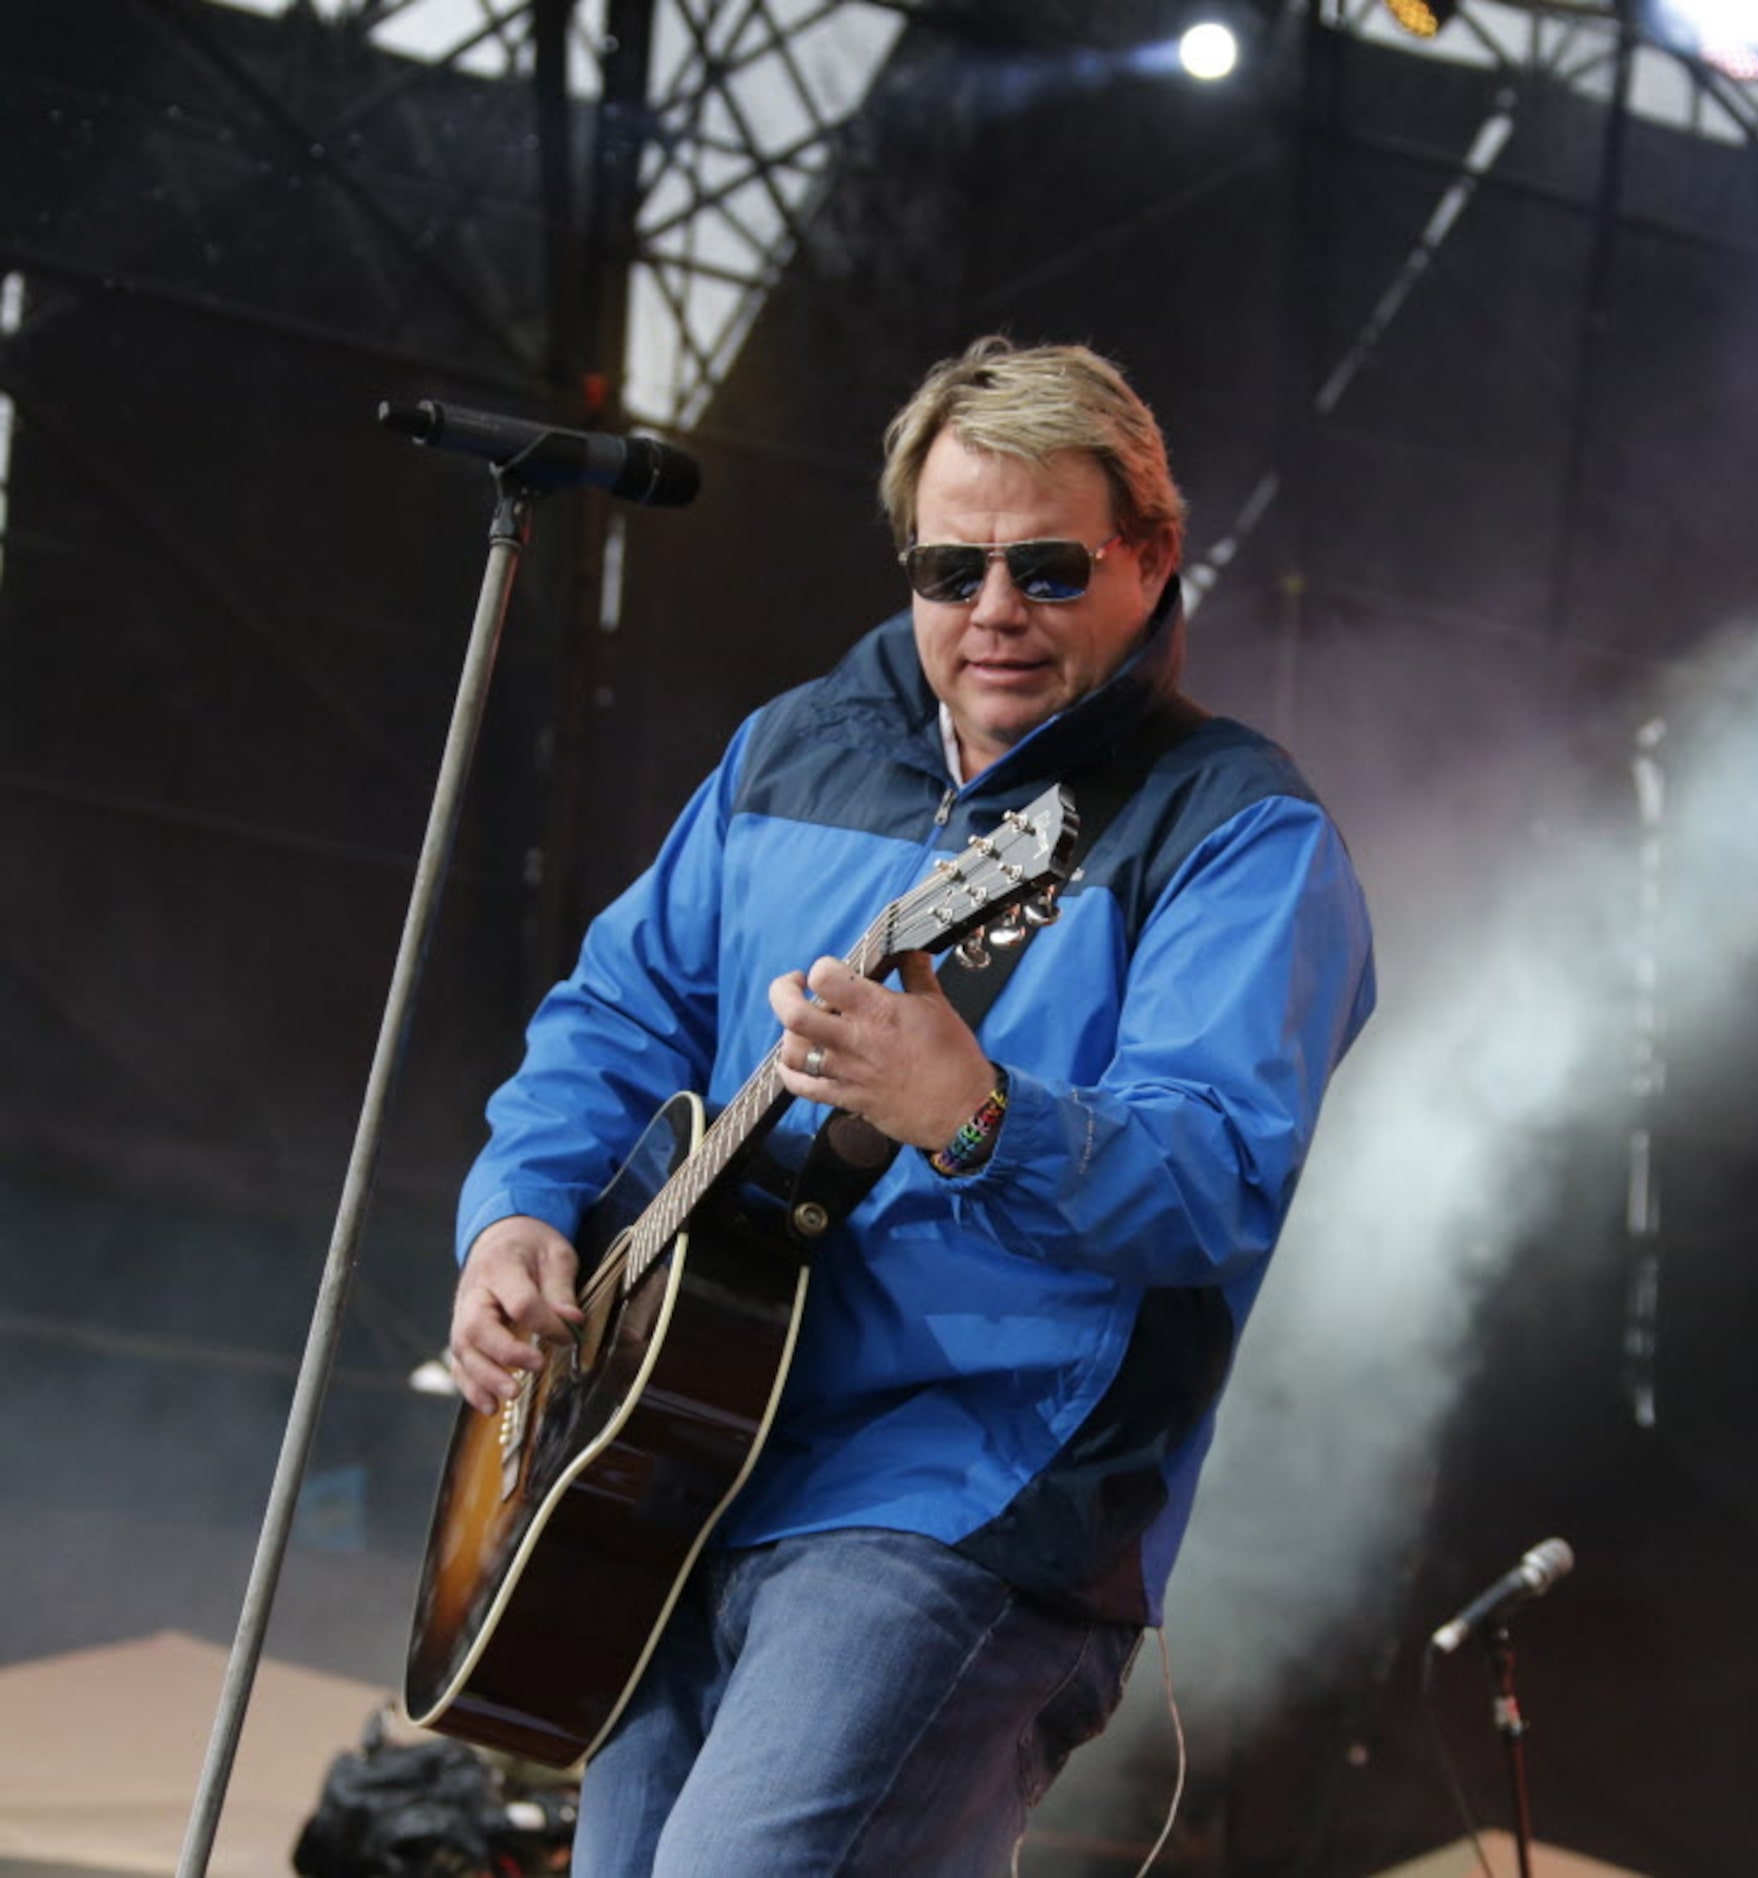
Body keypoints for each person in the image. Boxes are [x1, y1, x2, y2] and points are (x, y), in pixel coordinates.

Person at [443, 335, 1377, 1874]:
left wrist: (979, 1113)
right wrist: (518, 1210)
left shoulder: (1237, 833)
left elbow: (1217, 1179)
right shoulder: (792, 746)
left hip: (970, 1495)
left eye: (1049, 567)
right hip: (677, 1467)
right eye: (951, 568)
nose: (993, 610)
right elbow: (614, 1014)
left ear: (1152, 554)